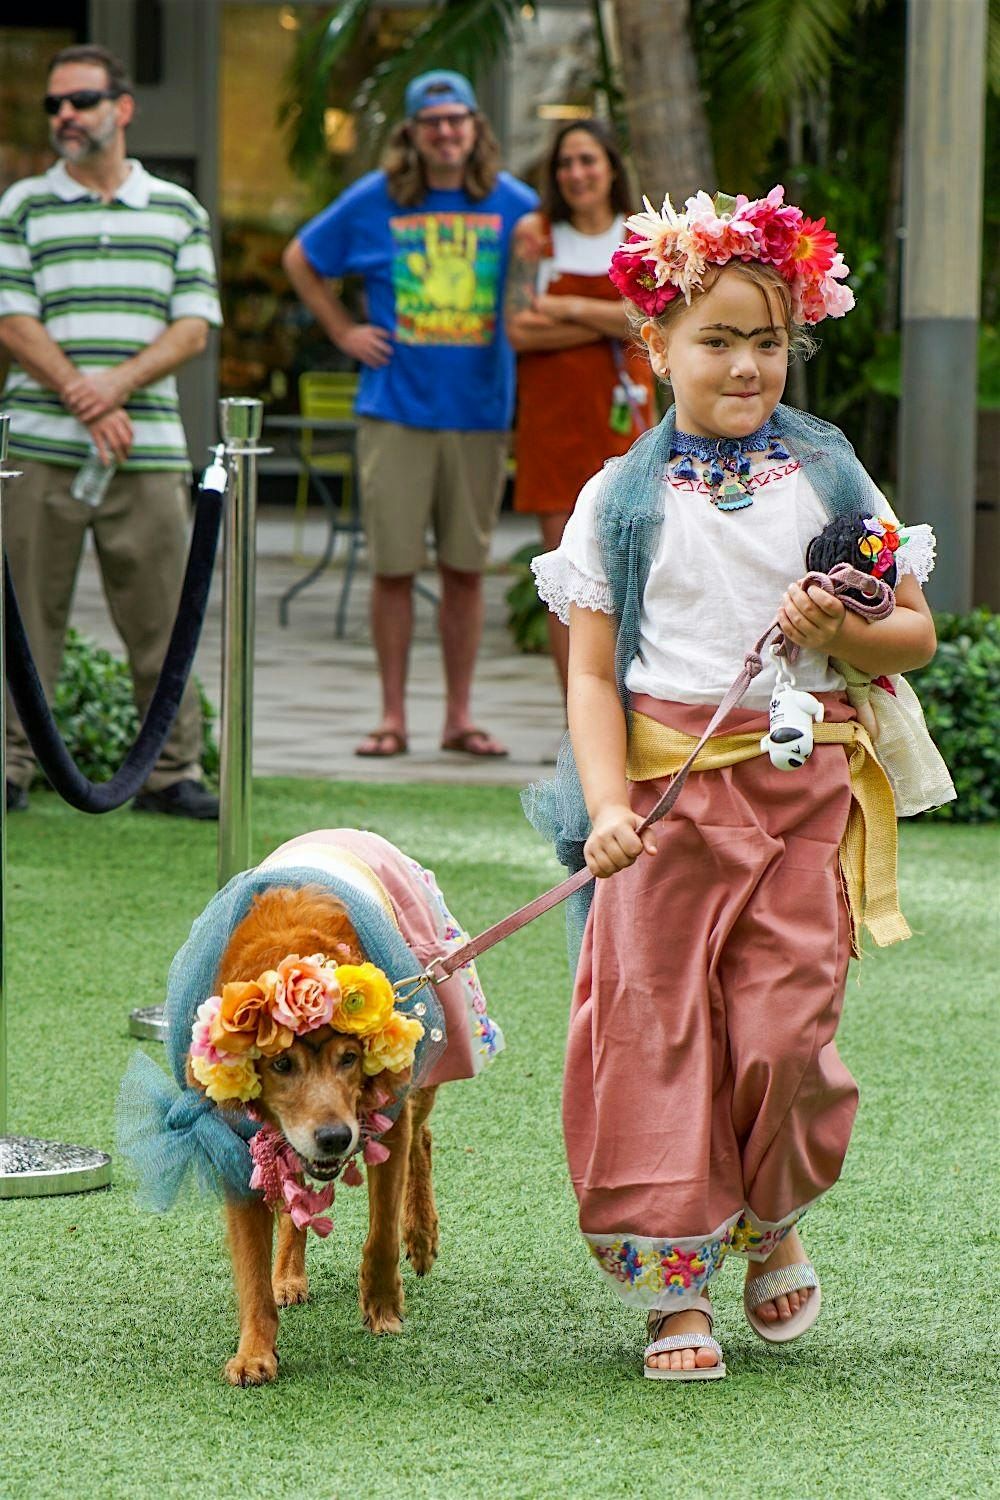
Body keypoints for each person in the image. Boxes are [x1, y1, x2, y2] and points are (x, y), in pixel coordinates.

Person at [528, 185, 941, 1381]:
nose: (746, 363)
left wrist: (842, 628)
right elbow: (594, 681)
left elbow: (907, 635)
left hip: (802, 785)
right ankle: (676, 1294)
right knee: (652, 1036)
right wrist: (608, 808)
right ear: (652, 345)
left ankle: (772, 1217)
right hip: (662, 807)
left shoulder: (830, 473)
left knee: (784, 1033)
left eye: (768, 339)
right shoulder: (618, 496)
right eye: (716, 338)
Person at [282, 71, 538, 759]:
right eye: (432, 123)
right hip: (393, 410)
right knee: (392, 569)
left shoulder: (517, 205)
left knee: (465, 569)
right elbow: (300, 257)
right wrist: (342, 331)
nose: (446, 133)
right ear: (412, 134)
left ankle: (459, 717)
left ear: (476, 128)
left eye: (457, 120)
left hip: (481, 412)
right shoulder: (373, 200)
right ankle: (390, 718)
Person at [0, 44, 222, 819]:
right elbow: (11, 316)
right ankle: (8, 769)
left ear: (121, 109)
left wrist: (110, 389)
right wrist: (80, 392)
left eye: (81, 100)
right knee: (23, 619)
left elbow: (194, 326)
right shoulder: (22, 205)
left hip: (148, 447)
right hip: (36, 447)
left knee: (165, 616)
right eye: (54, 105)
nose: (64, 115)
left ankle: (172, 775)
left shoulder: (177, 209)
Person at [505, 120, 654, 695]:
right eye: (566, 163)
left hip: (625, 417)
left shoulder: (641, 233)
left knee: (629, 567)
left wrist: (563, 307)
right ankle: (578, 714)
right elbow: (519, 329)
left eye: (588, 160)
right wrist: (607, 323)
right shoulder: (533, 234)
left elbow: (647, 319)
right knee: (567, 575)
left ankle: (635, 703)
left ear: (611, 167)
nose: (577, 174)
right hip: (553, 423)